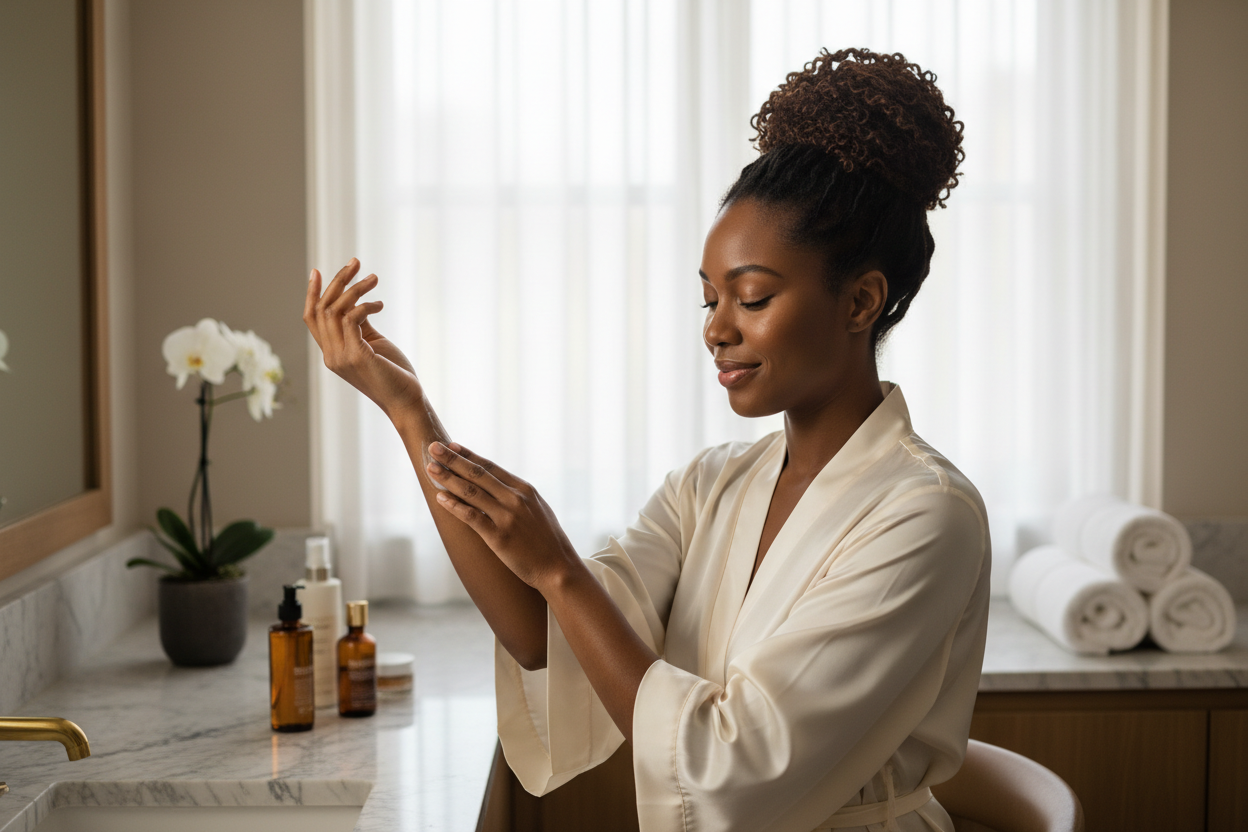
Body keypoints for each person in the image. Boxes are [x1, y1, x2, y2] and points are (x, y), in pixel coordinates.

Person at [304, 48, 989, 832]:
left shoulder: (926, 516)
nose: (718, 331)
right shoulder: (713, 486)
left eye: (753, 296)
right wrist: (409, 413)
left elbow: (732, 773)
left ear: (862, 300)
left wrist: (562, 568)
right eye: (708, 301)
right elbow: (543, 638)